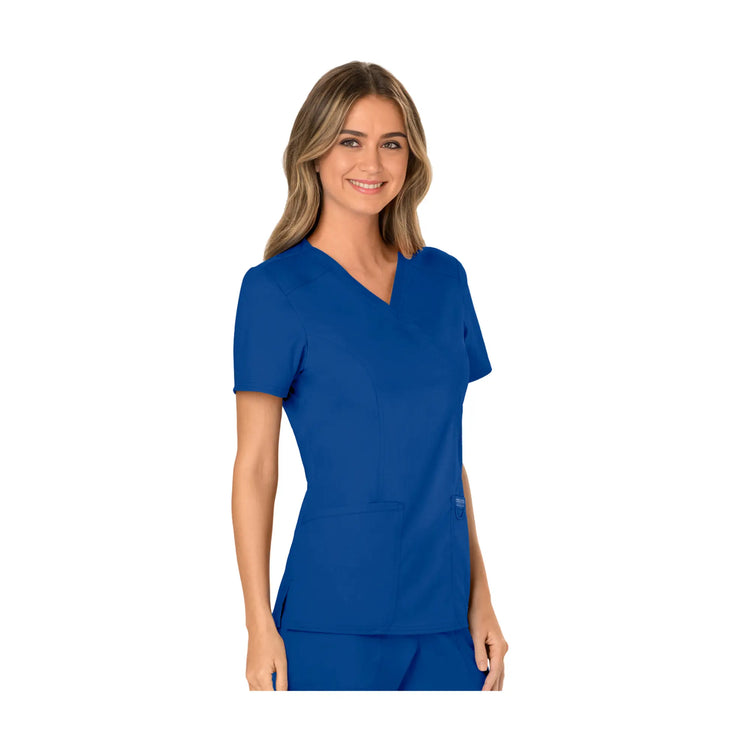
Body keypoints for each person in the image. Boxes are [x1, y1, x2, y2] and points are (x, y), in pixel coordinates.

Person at [231, 61, 509, 691]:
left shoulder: (444, 280)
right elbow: (256, 467)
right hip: (332, 616)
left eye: (392, 144)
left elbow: (446, 455)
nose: (372, 163)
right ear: (314, 152)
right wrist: (257, 624)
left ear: (412, 159)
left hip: (448, 617)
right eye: (350, 141)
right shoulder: (274, 290)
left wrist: (482, 597)